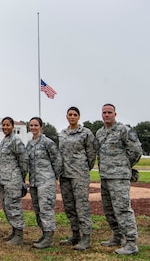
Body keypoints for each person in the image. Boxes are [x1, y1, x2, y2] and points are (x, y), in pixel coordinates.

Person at [96, 104, 142, 255]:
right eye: (104, 112)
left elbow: (136, 150)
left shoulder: (123, 130)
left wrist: (124, 165)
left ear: (115, 114)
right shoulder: (100, 133)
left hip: (119, 177)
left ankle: (131, 243)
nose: (107, 115)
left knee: (122, 209)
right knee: (108, 209)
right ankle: (117, 236)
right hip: (105, 177)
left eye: (109, 112)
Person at [58, 107, 96, 250]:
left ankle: (86, 237)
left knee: (82, 206)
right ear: (66, 116)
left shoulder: (86, 133)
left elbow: (91, 155)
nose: (72, 117)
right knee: (69, 206)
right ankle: (75, 234)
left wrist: (84, 169)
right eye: (70, 115)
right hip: (65, 174)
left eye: (75, 115)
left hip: (79, 175)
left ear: (79, 117)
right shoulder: (62, 134)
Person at [26, 117, 62, 249]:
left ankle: (49, 237)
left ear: (41, 127)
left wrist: (53, 177)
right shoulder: (30, 144)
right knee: (38, 209)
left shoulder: (48, 142)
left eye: (36, 125)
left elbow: (57, 160)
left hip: (46, 181)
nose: (33, 128)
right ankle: (44, 233)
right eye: (31, 125)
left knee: (46, 208)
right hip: (34, 182)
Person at [0, 117, 28, 245]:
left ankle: (19, 235)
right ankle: (14, 231)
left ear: (13, 126)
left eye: (8, 125)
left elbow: (23, 160)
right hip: (4, 180)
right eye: (3, 125)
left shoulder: (16, 140)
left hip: (13, 180)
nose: (5, 127)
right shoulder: (4, 140)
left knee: (14, 206)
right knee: (7, 206)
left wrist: (21, 178)